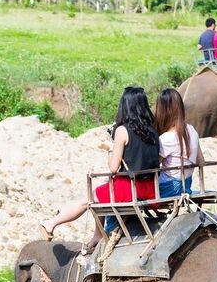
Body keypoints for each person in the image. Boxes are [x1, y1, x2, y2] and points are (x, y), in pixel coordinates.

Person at [39, 87, 159, 253]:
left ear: (125, 106)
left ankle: (51, 223)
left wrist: (111, 149)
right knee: (102, 192)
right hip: (151, 190)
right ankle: (97, 234)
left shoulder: (122, 131)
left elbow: (113, 168)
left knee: (87, 200)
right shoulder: (153, 131)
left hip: (129, 189)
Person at [155, 88, 204, 198]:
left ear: (162, 111)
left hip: (168, 188)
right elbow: (201, 161)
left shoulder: (166, 138)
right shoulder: (192, 130)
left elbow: (153, 166)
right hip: (186, 185)